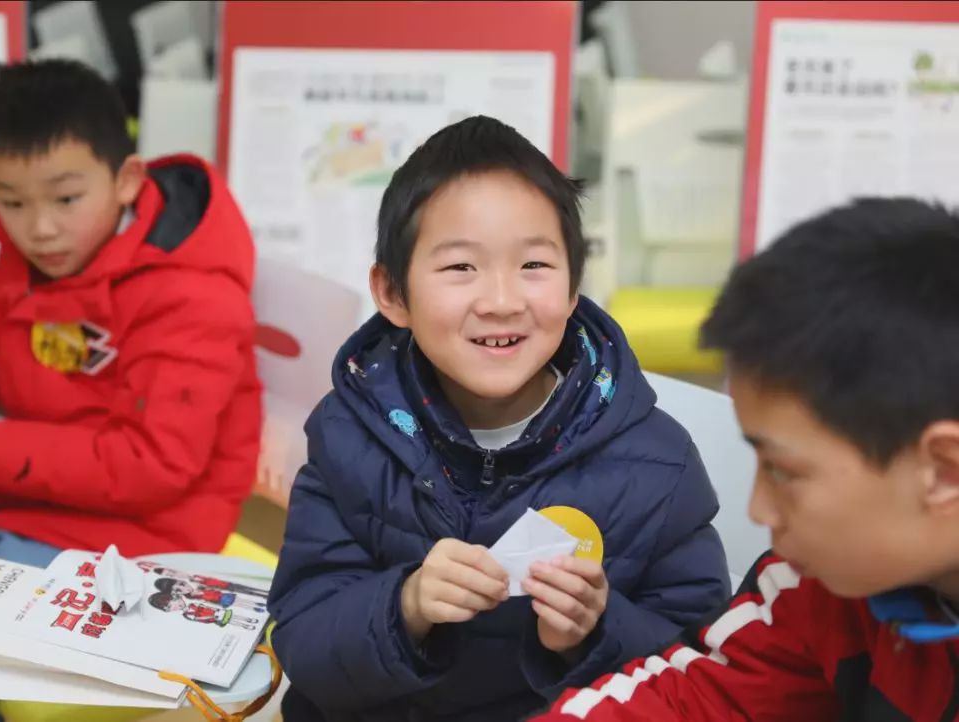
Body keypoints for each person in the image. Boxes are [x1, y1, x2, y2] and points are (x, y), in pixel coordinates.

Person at [267, 116, 730, 722]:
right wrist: (403, 605)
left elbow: (700, 668)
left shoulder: (657, 462)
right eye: (461, 268)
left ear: (572, 289)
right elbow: (303, 637)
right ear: (392, 294)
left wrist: (593, 632)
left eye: (534, 266)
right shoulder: (350, 431)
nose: (502, 301)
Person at [0, 58, 260, 722]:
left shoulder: (193, 296)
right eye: (11, 201)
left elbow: (157, 466)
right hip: (22, 496)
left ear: (125, 180)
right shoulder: (28, 260)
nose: (39, 228)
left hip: (139, 533)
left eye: (64, 197)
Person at [531, 197, 959, 722]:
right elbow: (694, 697)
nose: (759, 509)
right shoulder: (823, 586)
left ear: (943, 471)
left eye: (785, 471)